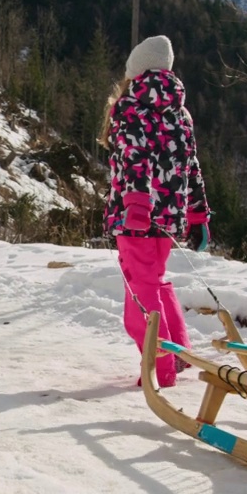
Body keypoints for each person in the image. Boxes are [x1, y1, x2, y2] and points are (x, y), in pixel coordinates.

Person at [98, 35, 211, 387]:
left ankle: (160, 368)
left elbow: (133, 161)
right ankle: (177, 353)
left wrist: (134, 205)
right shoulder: (180, 112)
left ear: (136, 70)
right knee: (157, 281)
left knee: (140, 291)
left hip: (136, 218)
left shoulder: (130, 107)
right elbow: (191, 167)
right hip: (168, 219)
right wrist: (197, 215)